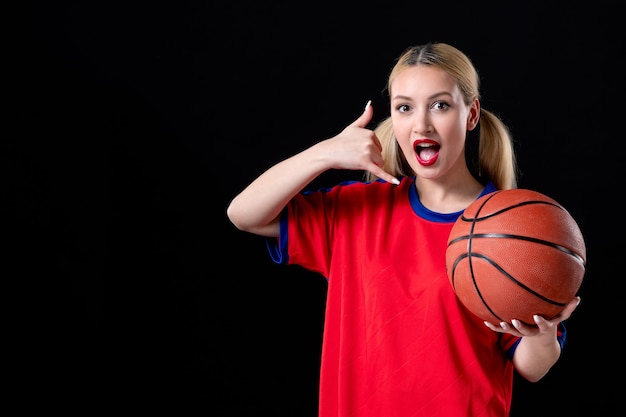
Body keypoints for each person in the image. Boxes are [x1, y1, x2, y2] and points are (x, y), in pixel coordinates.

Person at [226, 42, 580, 416]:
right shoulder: (357, 211)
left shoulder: (510, 231)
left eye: (440, 105)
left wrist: (542, 334)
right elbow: (243, 213)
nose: (421, 124)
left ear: (471, 114)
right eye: (405, 107)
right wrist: (325, 153)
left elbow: (532, 367)